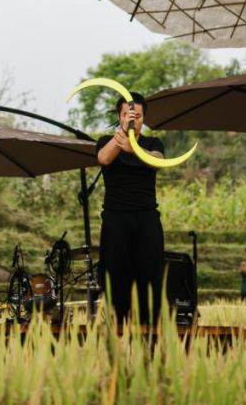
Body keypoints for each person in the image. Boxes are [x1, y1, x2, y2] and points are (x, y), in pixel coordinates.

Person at [96, 92, 166, 325]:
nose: (132, 119)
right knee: (116, 275)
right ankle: (117, 326)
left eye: (137, 115)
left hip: (146, 217)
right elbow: (104, 159)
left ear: (144, 118)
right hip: (116, 218)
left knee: (150, 273)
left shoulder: (153, 144)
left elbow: (157, 160)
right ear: (120, 116)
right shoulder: (107, 141)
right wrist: (123, 138)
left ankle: (149, 328)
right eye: (127, 115)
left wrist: (134, 148)